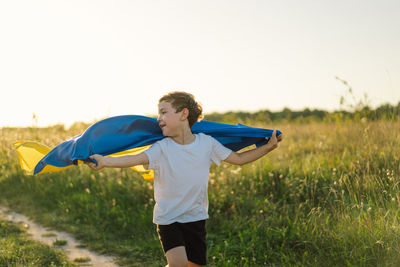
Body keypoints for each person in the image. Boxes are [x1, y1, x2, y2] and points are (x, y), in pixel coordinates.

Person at [87, 91, 283, 267]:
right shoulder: (162, 148)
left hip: (195, 217)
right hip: (168, 218)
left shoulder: (207, 143)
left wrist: (268, 147)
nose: (158, 119)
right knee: (178, 264)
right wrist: (105, 161)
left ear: (183, 114)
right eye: (158, 113)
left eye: (164, 112)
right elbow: (134, 159)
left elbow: (239, 159)